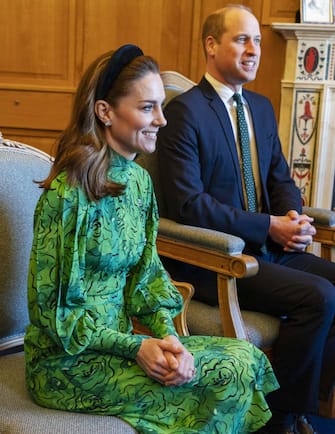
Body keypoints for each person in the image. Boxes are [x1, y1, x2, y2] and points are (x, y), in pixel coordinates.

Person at [24, 44, 278, 434]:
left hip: (124, 345)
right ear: (105, 112)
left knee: (245, 358)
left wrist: (168, 338)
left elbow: (147, 279)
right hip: (66, 363)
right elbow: (56, 315)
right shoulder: (69, 196)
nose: (161, 119)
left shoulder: (140, 182)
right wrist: (137, 348)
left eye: (160, 106)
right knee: (223, 375)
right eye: (147, 108)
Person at [157, 5, 335, 434]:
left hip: (266, 250)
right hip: (214, 259)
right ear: (211, 44)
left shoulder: (260, 106)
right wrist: (267, 227)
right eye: (241, 39)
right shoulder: (184, 112)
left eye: (256, 40)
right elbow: (187, 205)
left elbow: (279, 179)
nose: (253, 49)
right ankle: (282, 420)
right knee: (320, 297)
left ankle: (302, 407)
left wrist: (292, 215)